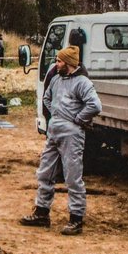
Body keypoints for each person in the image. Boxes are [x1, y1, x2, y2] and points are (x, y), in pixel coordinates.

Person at [21, 46, 102, 235]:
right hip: (54, 132)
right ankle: (41, 213)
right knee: (45, 173)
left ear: (69, 63)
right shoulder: (57, 79)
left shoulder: (82, 83)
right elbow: (47, 98)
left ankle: (76, 219)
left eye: (59, 61)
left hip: (71, 135)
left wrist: (78, 119)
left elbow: (95, 105)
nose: (56, 64)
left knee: (73, 177)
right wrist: (57, 116)